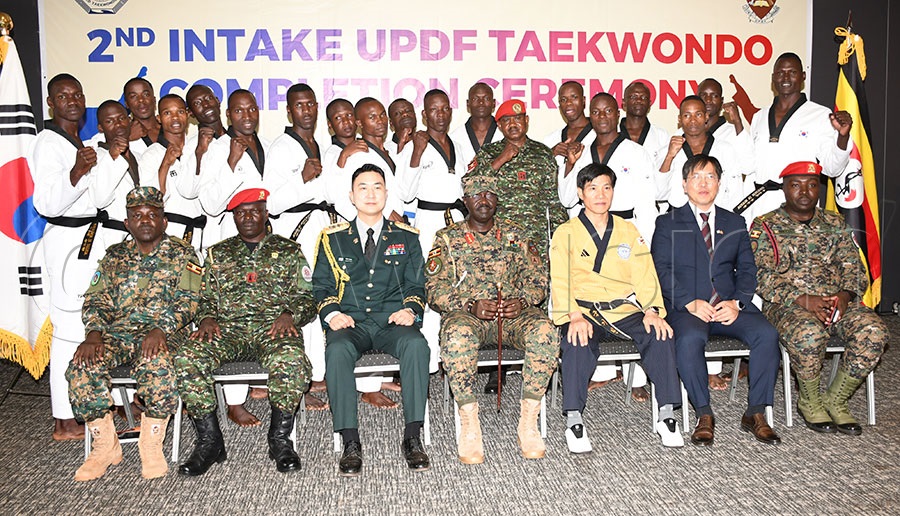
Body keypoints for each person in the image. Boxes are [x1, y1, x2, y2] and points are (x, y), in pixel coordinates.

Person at [176, 187, 317, 475]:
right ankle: (210, 442)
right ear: (234, 217)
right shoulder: (218, 254)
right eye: (241, 213)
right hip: (228, 330)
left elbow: (307, 297)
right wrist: (206, 318)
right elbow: (203, 298)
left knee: (291, 360)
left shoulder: (289, 251)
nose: (248, 217)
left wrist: (290, 315)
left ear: (266, 214)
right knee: (188, 357)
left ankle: (280, 441)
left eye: (255, 211)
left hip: (273, 329)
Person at [66, 186, 201, 481]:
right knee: (82, 365)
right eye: (137, 215)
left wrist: (160, 328)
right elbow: (97, 299)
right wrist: (94, 334)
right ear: (127, 223)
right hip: (118, 333)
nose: (145, 220)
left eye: (152, 214)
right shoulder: (114, 256)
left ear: (164, 221)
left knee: (157, 363)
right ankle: (105, 446)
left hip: (166, 332)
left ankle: (151, 446)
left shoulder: (183, 254)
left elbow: (189, 301)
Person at [551, 163, 683, 452]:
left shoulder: (627, 230)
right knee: (577, 340)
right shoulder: (566, 232)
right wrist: (573, 315)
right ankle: (574, 419)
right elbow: (560, 278)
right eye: (593, 188)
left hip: (622, 309)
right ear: (580, 193)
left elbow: (645, 274)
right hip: (583, 309)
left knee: (660, 333)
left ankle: (667, 414)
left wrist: (652, 310)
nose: (600, 195)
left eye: (606, 188)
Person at [425, 175, 557, 463]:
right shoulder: (447, 238)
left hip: (513, 317)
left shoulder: (516, 234)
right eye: (476, 195)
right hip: (468, 317)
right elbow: (434, 288)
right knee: (456, 336)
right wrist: (468, 305)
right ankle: (469, 423)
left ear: (497, 200)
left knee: (544, 331)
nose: (483, 200)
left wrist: (523, 300)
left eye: (489, 195)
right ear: (465, 201)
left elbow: (539, 278)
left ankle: (528, 422)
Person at [652, 155, 781, 446]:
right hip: (688, 308)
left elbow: (747, 269)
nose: (703, 183)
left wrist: (737, 303)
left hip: (728, 306)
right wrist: (689, 302)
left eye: (710, 177)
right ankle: (704, 413)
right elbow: (661, 269)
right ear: (684, 184)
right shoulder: (668, 222)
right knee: (689, 339)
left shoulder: (734, 222)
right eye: (696, 177)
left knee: (767, 334)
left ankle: (756, 412)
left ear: (719, 183)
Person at [750, 161, 886, 436]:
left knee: (874, 331)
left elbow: (854, 268)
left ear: (819, 189)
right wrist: (802, 299)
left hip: (836, 301)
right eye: (796, 185)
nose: (804, 192)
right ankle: (810, 401)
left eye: (812, 185)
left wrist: (845, 296)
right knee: (809, 334)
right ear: (785, 189)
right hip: (787, 305)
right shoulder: (766, 225)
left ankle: (836, 399)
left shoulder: (835, 223)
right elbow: (759, 276)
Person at [312, 164, 431, 476]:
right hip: (350, 322)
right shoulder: (332, 238)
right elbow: (322, 285)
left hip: (392, 321)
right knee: (337, 350)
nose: (370, 194)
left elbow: (417, 284)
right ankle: (350, 440)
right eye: (362, 188)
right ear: (351, 196)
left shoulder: (406, 237)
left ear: (386, 194)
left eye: (377, 187)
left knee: (417, 346)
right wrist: (332, 314)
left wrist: (410, 310)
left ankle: (413, 436)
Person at [557, 92, 658, 399]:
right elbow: (566, 198)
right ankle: (598, 372)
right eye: (597, 112)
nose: (602, 117)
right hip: (586, 230)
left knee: (628, 303)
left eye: (608, 111)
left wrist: (644, 243)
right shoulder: (581, 149)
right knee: (591, 299)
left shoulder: (636, 152)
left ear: (618, 114)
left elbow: (647, 204)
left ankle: (637, 377)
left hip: (624, 231)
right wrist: (569, 164)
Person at [30, 73, 101, 441]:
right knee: (69, 326)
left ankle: (87, 403)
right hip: (66, 238)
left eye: (77, 94)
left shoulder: (79, 140)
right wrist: (77, 171)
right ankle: (64, 417)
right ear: (50, 103)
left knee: (89, 323)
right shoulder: (48, 142)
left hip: (88, 238)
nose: (72, 100)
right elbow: (45, 203)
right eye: (63, 95)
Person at [264, 83, 332, 411]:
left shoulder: (320, 143)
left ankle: (316, 375)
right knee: (296, 303)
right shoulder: (281, 147)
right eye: (299, 105)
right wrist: (301, 179)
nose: (306, 110)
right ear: (289, 111)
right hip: (294, 231)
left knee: (317, 301)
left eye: (310, 104)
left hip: (320, 229)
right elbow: (272, 203)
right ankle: (298, 382)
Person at [395, 89, 466, 376]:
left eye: (445, 108)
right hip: (428, 222)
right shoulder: (415, 144)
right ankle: (425, 360)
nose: (441, 114)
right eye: (434, 110)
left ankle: (453, 354)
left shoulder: (458, 145)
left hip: (457, 221)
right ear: (424, 115)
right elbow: (404, 192)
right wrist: (416, 152)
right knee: (429, 287)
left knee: (457, 285)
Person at [744, 52, 853, 219]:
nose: (785, 77)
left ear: (803, 76)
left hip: (798, 207)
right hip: (759, 208)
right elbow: (752, 168)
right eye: (780, 73)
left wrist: (843, 137)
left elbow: (832, 168)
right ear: (773, 78)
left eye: (792, 72)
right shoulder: (759, 116)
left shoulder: (820, 115)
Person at [467, 99, 567, 266]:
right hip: (498, 241)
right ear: (499, 125)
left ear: (526, 120)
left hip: (536, 242)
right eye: (506, 120)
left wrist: (559, 242)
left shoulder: (543, 154)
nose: (513, 124)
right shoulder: (488, 153)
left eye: (518, 118)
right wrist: (500, 159)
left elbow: (554, 203)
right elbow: (470, 186)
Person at [138, 94, 208, 253]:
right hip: (169, 232)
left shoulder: (198, 147)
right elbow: (149, 200)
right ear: (159, 118)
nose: (175, 117)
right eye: (167, 113)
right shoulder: (151, 154)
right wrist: (165, 164)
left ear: (188, 114)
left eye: (180, 112)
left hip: (202, 231)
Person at [198, 89, 270, 242]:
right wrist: (231, 161)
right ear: (228, 114)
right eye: (239, 111)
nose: (247, 116)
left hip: (267, 234)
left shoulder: (268, 146)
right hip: (231, 235)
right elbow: (210, 205)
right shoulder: (217, 148)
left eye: (252, 109)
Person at [657, 96, 746, 211]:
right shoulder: (668, 150)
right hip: (678, 216)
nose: (693, 120)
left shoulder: (725, 149)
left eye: (698, 114)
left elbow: (736, 194)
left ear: (706, 116)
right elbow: (659, 193)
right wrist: (669, 156)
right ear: (679, 119)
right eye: (687, 115)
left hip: (716, 216)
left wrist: (727, 219)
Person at [542, 81, 593, 182]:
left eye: (574, 97)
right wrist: (551, 154)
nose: (568, 103)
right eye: (563, 100)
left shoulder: (598, 134)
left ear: (583, 101)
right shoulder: (550, 139)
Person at [450, 82, 502, 167]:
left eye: (486, 98)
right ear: (468, 103)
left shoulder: (505, 134)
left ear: (494, 103)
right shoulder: (455, 137)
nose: (481, 102)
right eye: (475, 99)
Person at [619, 81, 669, 167]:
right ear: (624, 103)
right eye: (633, 96)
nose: (639, 100)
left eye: (644, 97)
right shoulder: (612, 134)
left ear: (649, 104)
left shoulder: (662, 136)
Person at [121, 77, 160, 157]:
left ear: (154, 100)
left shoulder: (170, 128)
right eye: (133, 96)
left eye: (146, 94)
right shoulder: (121, 135)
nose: (141, 100)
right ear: (127, 104)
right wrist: (128, 138)